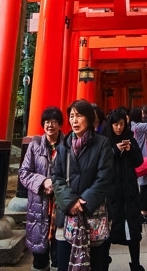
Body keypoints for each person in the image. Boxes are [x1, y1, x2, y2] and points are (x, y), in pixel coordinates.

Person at [52, 99, 114, 271]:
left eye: (78, 116)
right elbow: (56, 176)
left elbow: (105, 178)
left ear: (88, 118)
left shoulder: (102, 144)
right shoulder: (63, 145)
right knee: (65, 264)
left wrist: (83, 203)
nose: (74, 120)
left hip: (92, 213)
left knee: (94, 264)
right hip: (67, 215)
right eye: (71, 116)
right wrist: (71, 202)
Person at [19, 106, 63, 270]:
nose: (50, 125)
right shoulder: (34, 145)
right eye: (46, 122)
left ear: (60, 125)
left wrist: (57, 185)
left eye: (53, 122)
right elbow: (23, 173)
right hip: (39, 208)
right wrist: (43, 181)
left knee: (61, 259)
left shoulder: (68, 144)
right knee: (39, 260)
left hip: (60, 207)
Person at [103, 107, 146, 271]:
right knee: (108, 230)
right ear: (110, 125)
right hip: (112, 194)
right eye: (115, 125)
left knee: (133, 231)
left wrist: (131, 150)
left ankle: (135, 263)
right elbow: (102, 163)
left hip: (130, 193)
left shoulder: (130, 139)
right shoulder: (105, 141)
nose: (118, 128)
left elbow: (139, 162)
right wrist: (115, 150)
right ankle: (104, 263)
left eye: (121, 124)